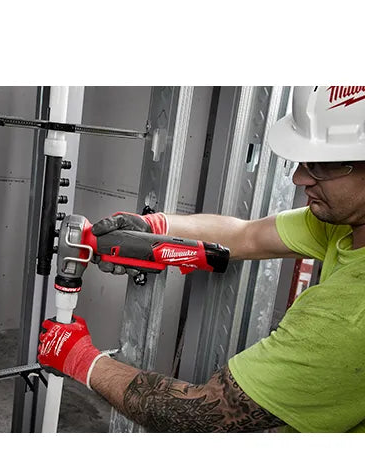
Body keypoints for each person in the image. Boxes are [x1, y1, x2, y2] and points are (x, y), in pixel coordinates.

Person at [38, 86, 365, 433]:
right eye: (302, 162)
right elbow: (247, 235)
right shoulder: (345, 223)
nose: (299, 178)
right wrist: (153, 228)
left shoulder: (348, 316)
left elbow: (203, 413)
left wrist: (79, 358)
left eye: (321, 165)